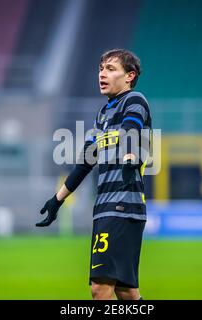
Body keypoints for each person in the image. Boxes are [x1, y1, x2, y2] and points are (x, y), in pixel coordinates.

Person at [36, 49, 152, 300]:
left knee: (100, 289)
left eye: (111, 69)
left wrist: (131, 158)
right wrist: (57, 199)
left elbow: (133, 127)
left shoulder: (134, 101)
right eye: (101, 68)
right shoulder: (102, 115)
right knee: (126, 292)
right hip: (105, 207)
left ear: (129, 76)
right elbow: (85, 163)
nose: (102, 74)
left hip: (122, 207)